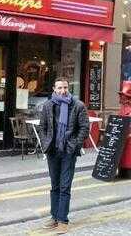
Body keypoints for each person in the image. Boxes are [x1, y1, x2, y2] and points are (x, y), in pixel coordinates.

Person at [39, 77, 89, 234]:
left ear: (69, 88)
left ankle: (63, 220)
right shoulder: (48, 105)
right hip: (53, 150)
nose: (63, 90)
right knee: (55, 185)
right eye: (59, 88)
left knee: (65, 186)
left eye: (65, 87)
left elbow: (84, 128)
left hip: (68, 151)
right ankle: (54, 217)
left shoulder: (78, 105)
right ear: (54, 89)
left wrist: (74, 144)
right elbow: (43, 127)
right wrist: (45, 142)